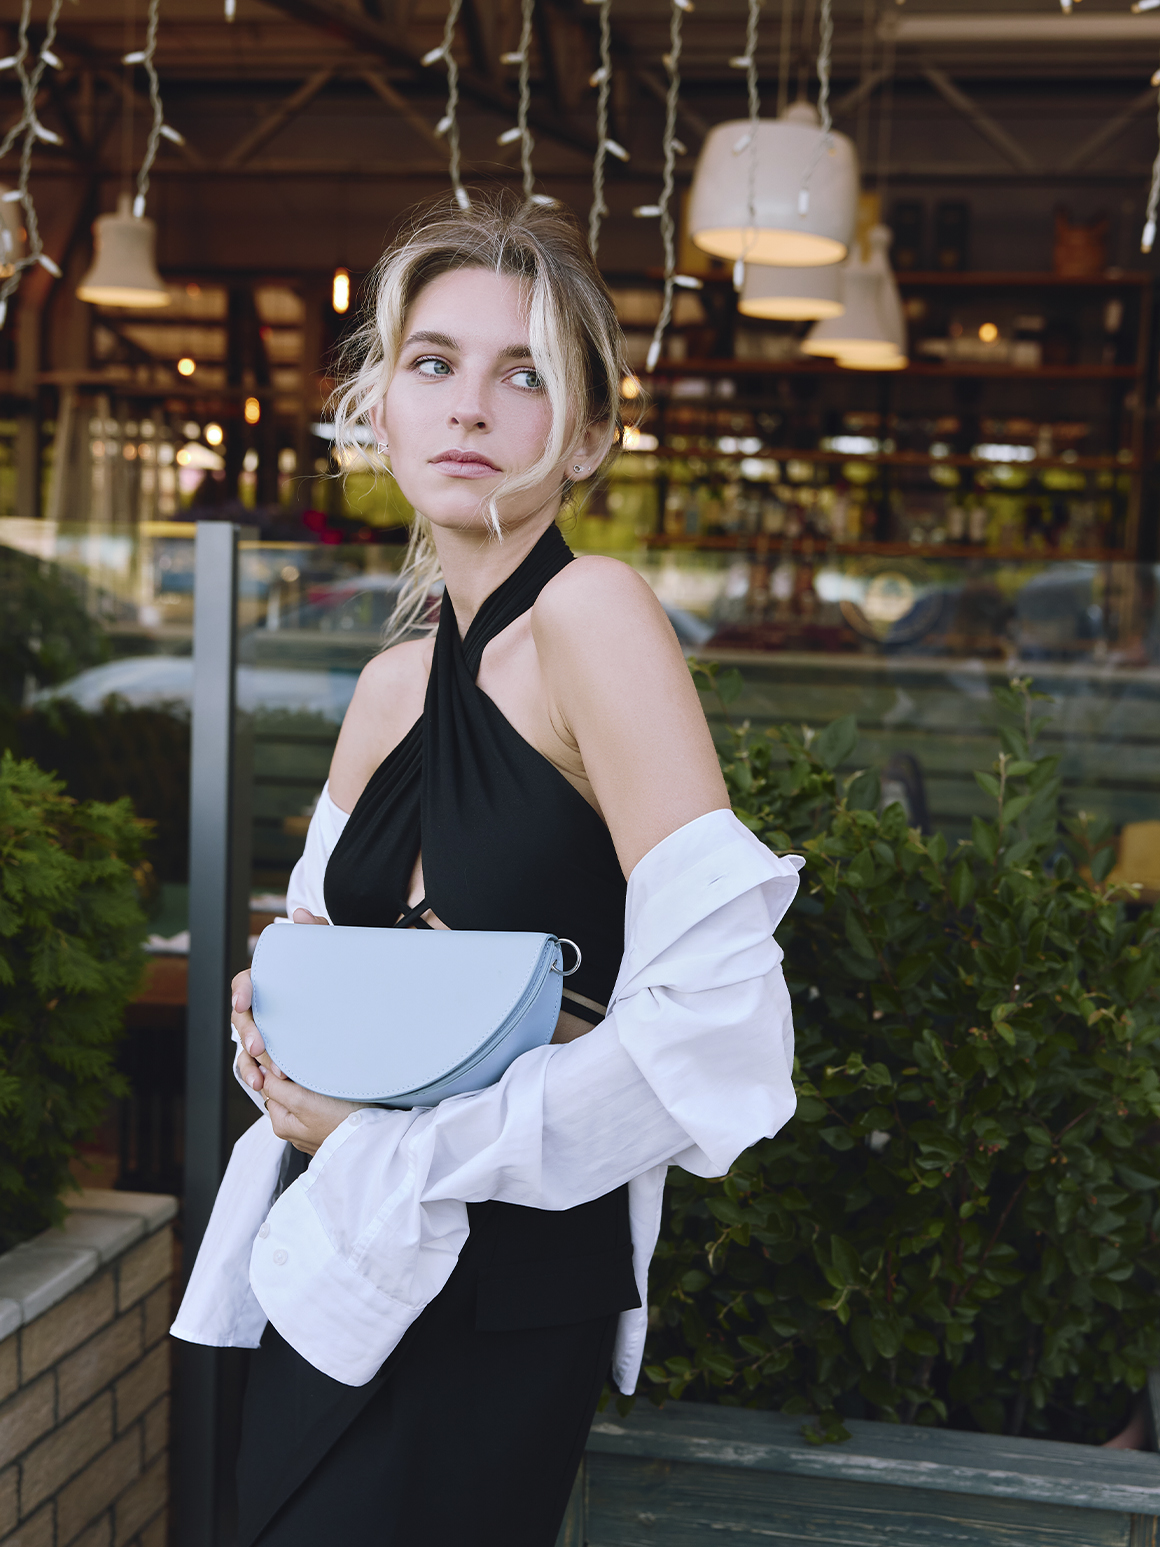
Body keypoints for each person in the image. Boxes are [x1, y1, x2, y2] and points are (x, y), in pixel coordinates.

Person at [172, 192, 802, 1546]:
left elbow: (719, 1024)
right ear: (377, 407)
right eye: (433, 362)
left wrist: (399, 1141)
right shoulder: (388, 688)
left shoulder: (593, 615)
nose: (469, 406)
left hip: (499, 1282)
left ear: (589, 435)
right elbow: (302, 959)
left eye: (525, 374)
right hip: (330, 1249)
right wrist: (269, 1020)